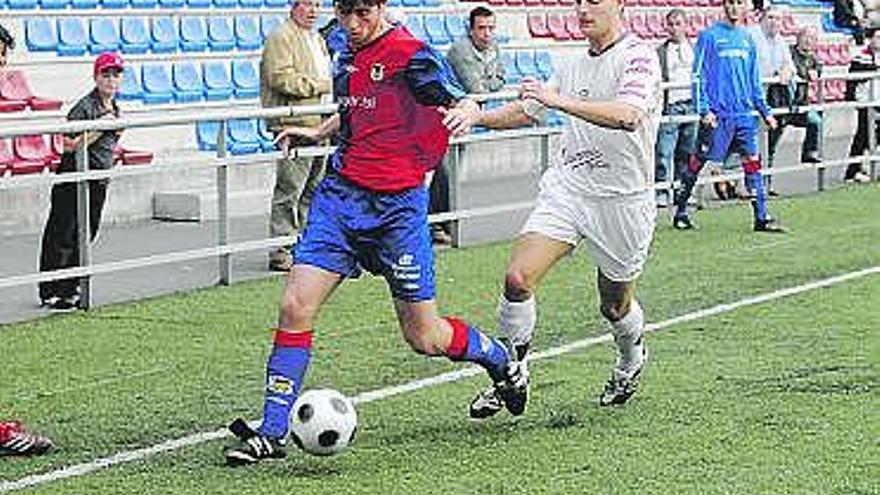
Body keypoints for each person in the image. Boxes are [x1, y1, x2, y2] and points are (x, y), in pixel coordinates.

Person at [224, 0, 524, 466]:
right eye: (345, 13)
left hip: (397, 211)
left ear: (381, 7)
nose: (353, 24)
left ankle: (499, 360)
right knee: (294, 305)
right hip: (341, 201)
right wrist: (315, 133)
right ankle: (272, 430)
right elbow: (355, 108)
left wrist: (467, 111)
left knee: (425, 337)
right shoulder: (342, 46)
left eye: (363, 12)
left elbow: (457, 99)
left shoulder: (412, 54)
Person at [466, 0, 661, 418]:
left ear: (620, 5)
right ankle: (510, 374)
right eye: (578, 1)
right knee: (518, 279)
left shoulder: (639, 57)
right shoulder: (572, 63)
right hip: (569, 189)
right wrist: (476, 116)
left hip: (622, 201)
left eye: (594, 0)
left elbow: (627, 116)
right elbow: (528, 110)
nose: (582, 9)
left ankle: (631, 358)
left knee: (614, 306)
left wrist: (558, 101)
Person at [671, 0, 784, 233]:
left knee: (752, 163)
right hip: (717, 116)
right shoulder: (709, 36)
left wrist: (765, 111)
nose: (734, 7)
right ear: (724, 5)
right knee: (697, 163)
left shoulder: (747, 39)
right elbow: (698, 75)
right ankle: (681, 210)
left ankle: (761, 217)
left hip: (743, 116)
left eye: (739, 2)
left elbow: (753, 81)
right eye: (730, 2)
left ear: (746, 7)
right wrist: (704, 110)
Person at [38, 52, 125, 310]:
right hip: (74, 174)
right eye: (105, 74)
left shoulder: (116, 109)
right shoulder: (85, 107)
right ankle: (51, 289)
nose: (111, 80)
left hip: (98, 178)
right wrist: (99, 128)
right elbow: (67, 145)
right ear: (96, 77)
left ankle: (71, 287)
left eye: (115, 74)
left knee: (87, 232)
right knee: (63, 230)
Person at [261, 0, 332, 272]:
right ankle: (281, 249)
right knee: (290, 189)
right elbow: (280, 78)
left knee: (312, 189)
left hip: (318, 120)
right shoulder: (281, 36)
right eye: (307, 4)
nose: (313, 10)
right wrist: (321, 86)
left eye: (318, 4)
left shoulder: (315, 37)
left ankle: (300, 244)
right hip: (294, 122)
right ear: (294, 5)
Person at [748, 6, 797, 195]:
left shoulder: (780, 41)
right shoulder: (751, 36)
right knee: (745, 140)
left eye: (778, 19)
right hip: (749, 95)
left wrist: (786, 71)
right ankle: (727, 175)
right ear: (761, 18)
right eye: (770, 17)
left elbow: (789, 66)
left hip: (769, 98)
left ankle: (763, 183)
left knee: (767, 141)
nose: (774, 22)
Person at [655, 9, 697, 208]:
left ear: (686, 25)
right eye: (670, 24)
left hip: (691, 106)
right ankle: (662, 191)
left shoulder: (696, 49)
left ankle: (684, 191)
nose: (674, 28)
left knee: (687, 153)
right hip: (670, 107)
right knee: (664, 152)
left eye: (678, 24)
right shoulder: (659, 53)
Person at [767, 27, 824, 172]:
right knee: (769, 146)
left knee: (815, 121)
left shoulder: (814, 59)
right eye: (805, 36)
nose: (807, 41)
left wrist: (816, 73)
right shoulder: (788, 53)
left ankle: (809, 152)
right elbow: (781, 68)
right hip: (781, 105)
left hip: (799, 105)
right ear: (798, 38)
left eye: (812, 38)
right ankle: (765, 184)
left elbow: (817, 73)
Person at [845, 26, 880, 183]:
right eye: (877, 37)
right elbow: (853, 79)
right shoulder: (860, 57)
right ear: (870, 38)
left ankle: (865, 168)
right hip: (866, 101)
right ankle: (852, 171)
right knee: (862, 136)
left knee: (874, 137)